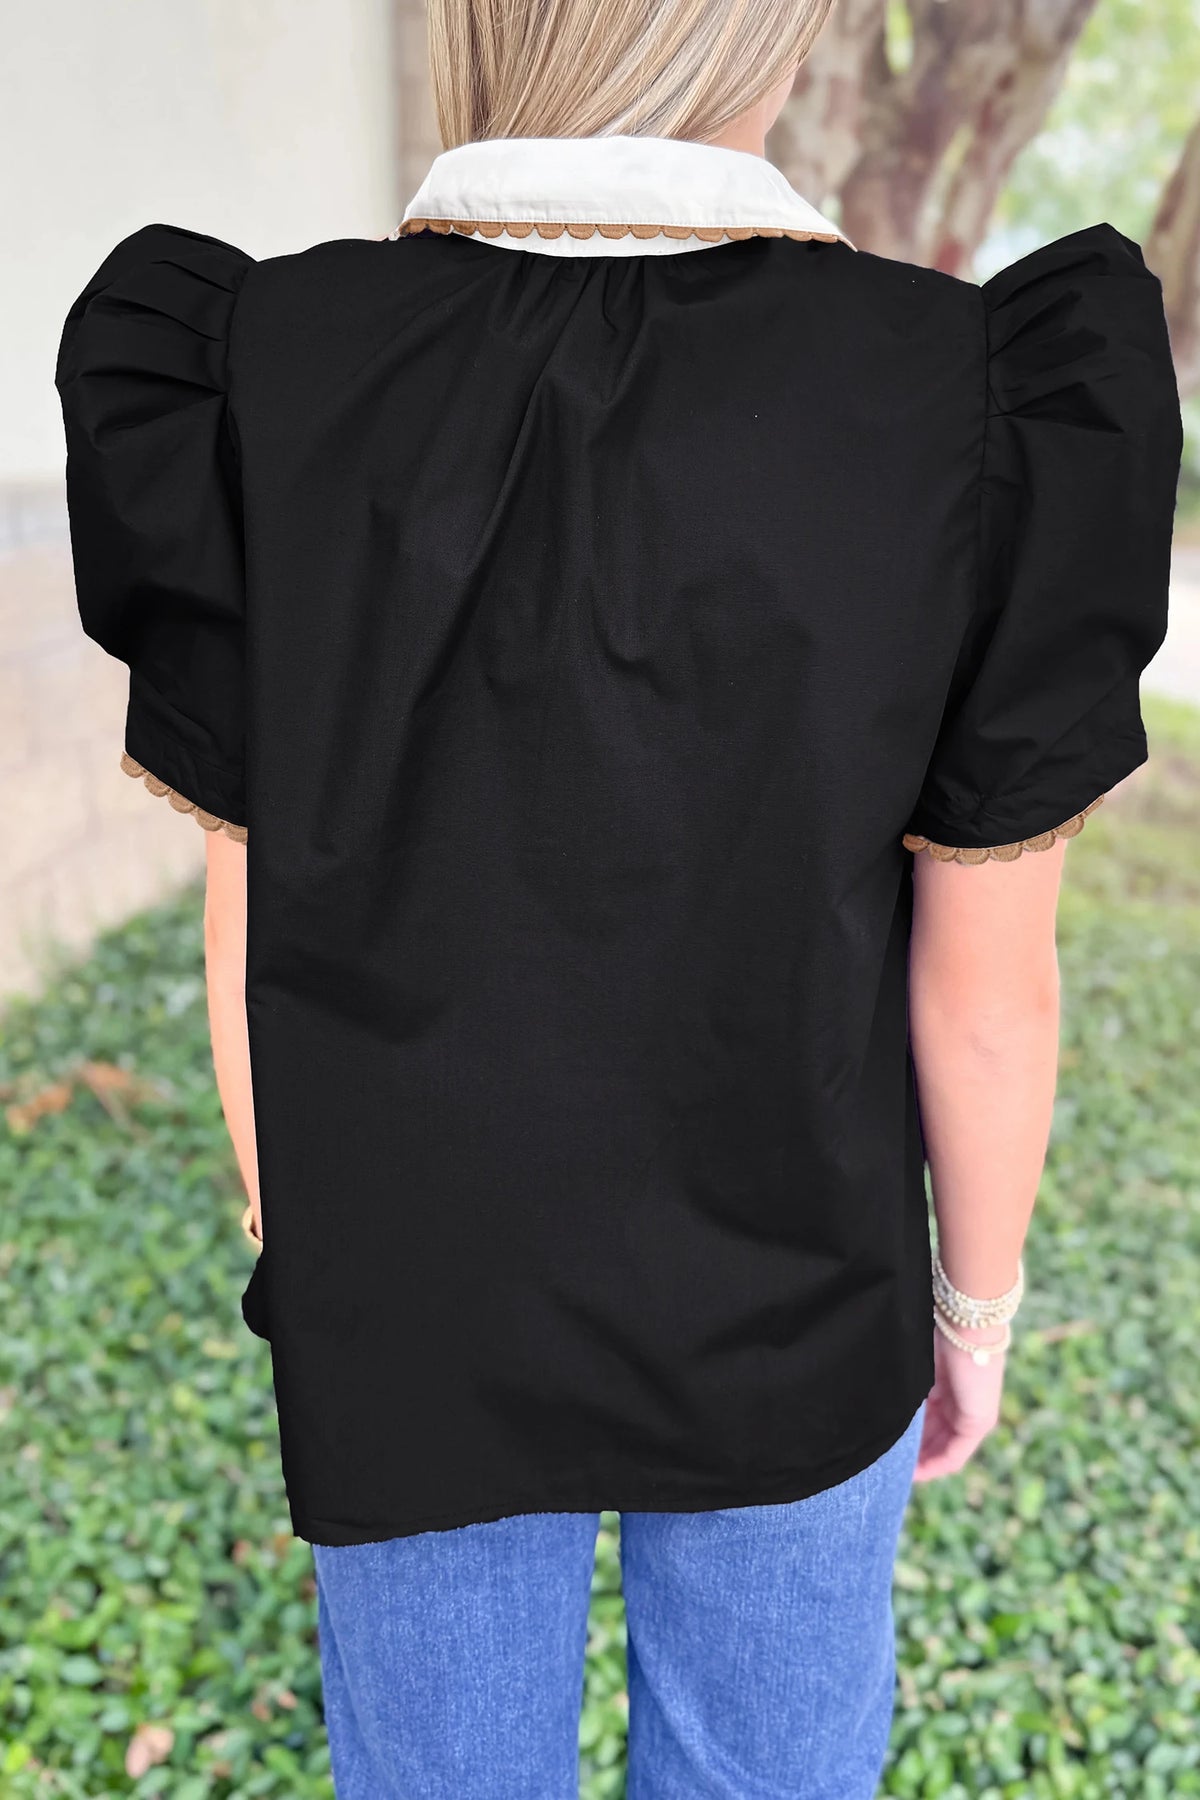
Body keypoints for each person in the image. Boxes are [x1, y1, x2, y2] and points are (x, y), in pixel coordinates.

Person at [54, 0, 1182, 1792]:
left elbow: (249, 911)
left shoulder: (258, 361)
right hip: (804, 1301)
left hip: (409, 1300)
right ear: (773, 34)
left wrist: (307, 1250)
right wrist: (970, 1311)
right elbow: (986, 984)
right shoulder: (961, 388)